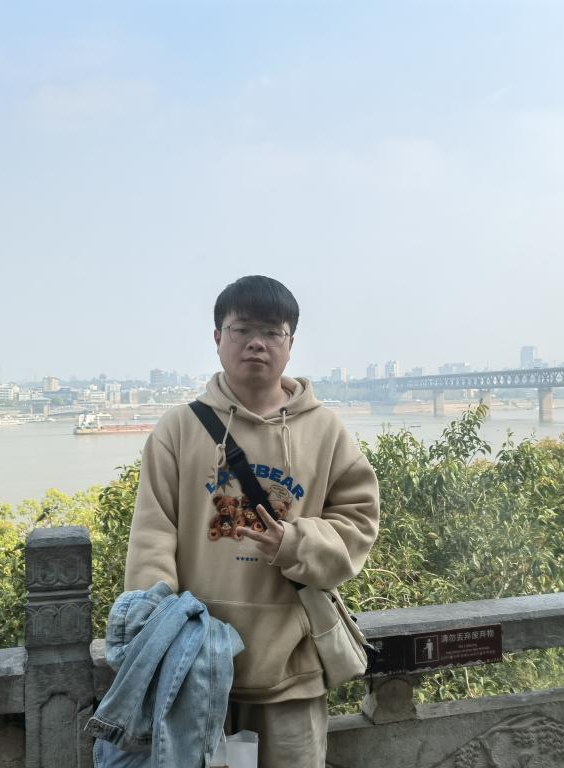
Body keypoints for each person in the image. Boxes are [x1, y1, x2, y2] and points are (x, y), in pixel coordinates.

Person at [124, 275, 380, 768]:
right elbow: (153, 534)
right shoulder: (178, 429)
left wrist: (295, 542)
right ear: (218, 338)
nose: (256, 343)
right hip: (194, 669)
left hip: (292, 667)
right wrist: (153, 628)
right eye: (241, 330)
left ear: (290, 344)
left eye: (271, 332)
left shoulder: (325, 430)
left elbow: (359, 522)